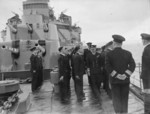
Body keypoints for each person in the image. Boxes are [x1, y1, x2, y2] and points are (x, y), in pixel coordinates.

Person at [105, 34, 135, 114]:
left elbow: (107, 67)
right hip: (125, 81)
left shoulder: (109, 54)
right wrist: (125, 75)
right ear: (121, 44)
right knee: (124, 100)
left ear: (114, 43)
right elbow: (133, 65)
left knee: (116, 100)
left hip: (114, 82)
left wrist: (117, 75)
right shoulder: (128, 53)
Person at [140, 33, 150, 114]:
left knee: (147, 95)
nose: (142, 41)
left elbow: (146, 66)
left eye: (142, 40)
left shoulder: (147, 49)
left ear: (145, 40)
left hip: (147, 78)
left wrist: (143, 76)